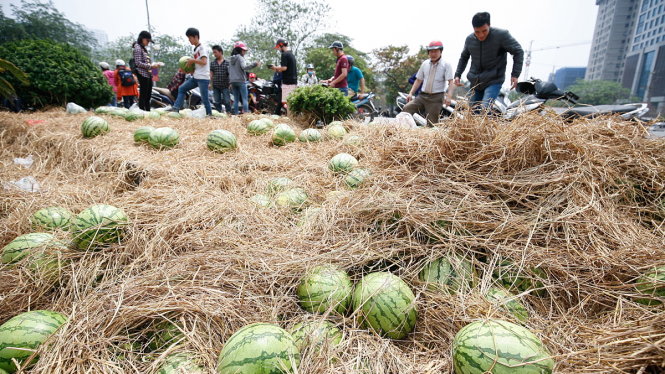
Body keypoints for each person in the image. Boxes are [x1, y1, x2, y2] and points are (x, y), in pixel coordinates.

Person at [454, 12, 524, 111]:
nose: (481, 35)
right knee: (472, 113)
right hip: (475, 82)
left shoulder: (501, 36)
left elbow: (518, 51)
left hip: (493, 80)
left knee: (485, 110)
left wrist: (515, 74)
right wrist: (458, 74)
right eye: (477, 32)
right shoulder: (470, 39)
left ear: (489, 26)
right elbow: (464, 57)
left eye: (484, 31)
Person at [402, 41, 455, 126]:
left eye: (435, 51)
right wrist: (411, 93)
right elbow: (418, 80)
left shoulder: (446, 65)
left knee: (431, 123)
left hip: (436, 97)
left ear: (440, 51)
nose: (433, 54)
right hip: (422, 96)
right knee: (407, 108)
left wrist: (449, 97)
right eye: (431, 51)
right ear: (428, 52)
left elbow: (451, 82)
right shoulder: (425, 63)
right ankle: (406, 130)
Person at [171, 27, 212, 116]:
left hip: (203, 78)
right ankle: (176, 109)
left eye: (190, 38)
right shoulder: (196, 49)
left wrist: (192, 61)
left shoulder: (202, 48)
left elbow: (204, 62)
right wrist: (188, 69)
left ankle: (209, 115)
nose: (189, 40)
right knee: (181, 88)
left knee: (205, 99)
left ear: (195, 37)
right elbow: (198, 65)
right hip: (196, 77)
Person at [228, 41, 260, 115]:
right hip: (241, 81)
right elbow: (244, 67)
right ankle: (246, 114)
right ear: (239, 50)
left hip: (232, 81)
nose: (244, 52)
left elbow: (229, 70)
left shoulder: (230, 59)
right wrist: (254, 64)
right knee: (244, 99)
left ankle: (236, 115)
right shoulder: (240, 58)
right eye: (243, 50)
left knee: (236, 99)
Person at [133, 30, 159, 111]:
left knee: (148, 94)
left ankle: (147, 110)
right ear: (142, 39)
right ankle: (142, 110)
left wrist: (153, 66)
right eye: (147, 41)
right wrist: (150, 66)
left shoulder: (143, 48)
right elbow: (138, 63)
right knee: (143, 94)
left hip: (147, 74)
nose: (148, 43)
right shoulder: (137, 48)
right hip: (142, 73)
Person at [269, 38, 297, 112]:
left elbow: (284, 68)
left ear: (281, 45)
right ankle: (277, 114)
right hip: (293, 81)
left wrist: (275, 67)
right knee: (284, 100)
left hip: (287, 81)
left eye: (278, 48)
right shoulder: (291, 54)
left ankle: (289, 116)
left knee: (286, 101)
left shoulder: (284, 54)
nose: (278, 49)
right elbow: (287, 69)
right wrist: (277, 69)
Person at [210, 45, 231, 113]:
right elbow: (211, 74)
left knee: (227, 102)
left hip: (225, 86)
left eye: (215, 52)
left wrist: (230, 83)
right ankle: (218, 115)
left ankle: (229, 115)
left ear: (220, 52)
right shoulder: (212, 63)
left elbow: (230, 74)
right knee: (217, 102)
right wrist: (209, 83)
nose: (214, 54)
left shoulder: (227, 63)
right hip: (216, 86)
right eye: (213, 52)